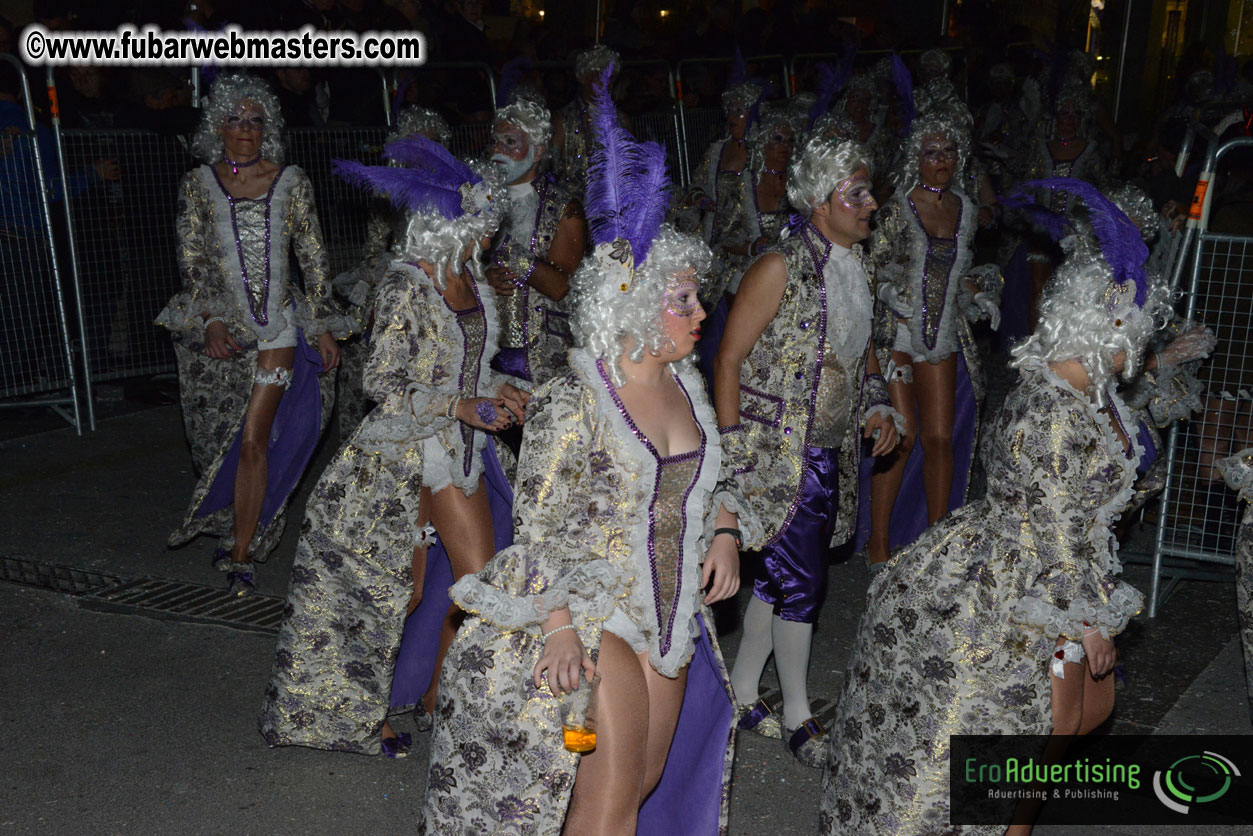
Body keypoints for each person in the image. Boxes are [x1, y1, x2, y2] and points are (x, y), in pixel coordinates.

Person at [420, 69, 740, 835]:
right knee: (604, 797)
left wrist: (724, 524)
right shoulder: (575, 402)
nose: (700, 312)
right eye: (682, 299)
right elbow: (535, 528)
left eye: (698, 297)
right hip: (594, 617)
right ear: (630, 303)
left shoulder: (686, 385)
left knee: (640, 783)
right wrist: (558, 626)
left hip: (671, 618)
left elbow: (703, 482)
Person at [820, 186, 1173, 835]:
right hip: (1020, 587)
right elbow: (1057, 529)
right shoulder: (1050, 411)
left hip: (1061, 576)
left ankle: (1011, 821)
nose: (1138, 353)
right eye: (1135, 336)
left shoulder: (1092, 397)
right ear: (1101, 329)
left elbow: (1104, 495)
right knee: (1046, 723)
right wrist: (1088, 619)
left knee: (1084, 714)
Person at [259, 136, 528, 757]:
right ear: (444, 224)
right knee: (397, 591)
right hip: (402, 457)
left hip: (459, 450)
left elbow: (471, 367)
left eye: (488, 227)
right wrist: (457, 405)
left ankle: (441, 699)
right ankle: (361, 711)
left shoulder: (471, 280)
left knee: (474, 583)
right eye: (476, 226)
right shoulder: (407, 285)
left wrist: (504, 392)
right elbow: (381, 382)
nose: (486, 239)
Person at [715, 136, 902, 767]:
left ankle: (740, 691)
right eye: (857, 193)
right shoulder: (781, 265)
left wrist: (878, 403)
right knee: (804, 585)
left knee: (778, 579)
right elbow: (728, 358)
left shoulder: (859, 265)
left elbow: (865, 350)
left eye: (869, 189)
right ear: (820, 202)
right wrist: (735, 461)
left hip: (828, 454)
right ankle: (798, 713)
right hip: (774, 457)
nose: (872, 203)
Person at [155, 73, 347, 595]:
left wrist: (323, 325)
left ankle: (240, 553)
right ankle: (235, 521)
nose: (245, 129)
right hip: (224, 325)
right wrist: (211, 319)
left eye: (256, 120)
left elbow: (314, 259)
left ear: (269, 129)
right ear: (218, 126)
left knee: (254, 438)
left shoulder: (292, 181)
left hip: (280, 327)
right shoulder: (197, 184)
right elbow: (191, 261)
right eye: (235, 119)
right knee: (222, 440)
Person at [862, 109, 1002, 568]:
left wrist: (978, 294)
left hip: (942, 336)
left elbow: (956, 275)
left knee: (941, 439)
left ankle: (937, 542)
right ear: (915, 158)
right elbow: (871, 265)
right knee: (902, 436)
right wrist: (885, 289)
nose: (940, 160)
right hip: (899, 335)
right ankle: (878, 545)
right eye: (930, 152)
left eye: (948, 151)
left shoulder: (965, 208)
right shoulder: (897, 209)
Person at [332, 105, 452, 437]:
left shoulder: (454, 191)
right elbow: (375, 250)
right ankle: (360, 440)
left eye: (431, 145)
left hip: (441, 282)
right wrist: (371, 287)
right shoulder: (388, 191)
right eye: (415, 146)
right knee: (367, 352)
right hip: (396, 279)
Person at [484, 97, 586, 390]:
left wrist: (510, 254)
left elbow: (558, 286)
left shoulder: (564, 207)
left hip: (541, 354)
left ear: (538, 151)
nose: (498, 151)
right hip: (487, 345)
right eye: (496, 142)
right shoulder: (479, 201)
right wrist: (484, 278)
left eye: (510, 142)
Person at [551, 45, 631, 198]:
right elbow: (550, 168)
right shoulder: (563, 120)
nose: (606, 82)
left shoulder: (622, 120)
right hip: (576, 204)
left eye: (610, 77)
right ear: (583, 78)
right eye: (599, 75)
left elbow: (630, 166)